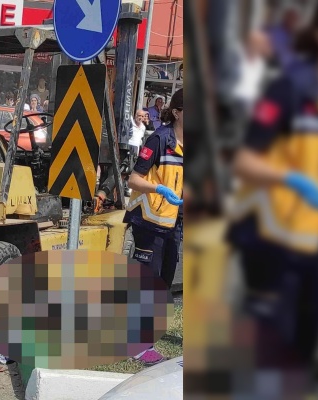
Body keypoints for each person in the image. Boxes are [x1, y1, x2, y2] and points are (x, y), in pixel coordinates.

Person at [227, 1, 318, 394]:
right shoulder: (291, 89)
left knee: (303, 349)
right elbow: (244, 161)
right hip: (273, 242)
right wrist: (293, 180)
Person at [123, 88, 183, 366]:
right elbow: (133, 179)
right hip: (148, 221)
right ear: (178, 113)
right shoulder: (159, 139)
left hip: (172, 223)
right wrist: (158, 188)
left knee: (163, 284)